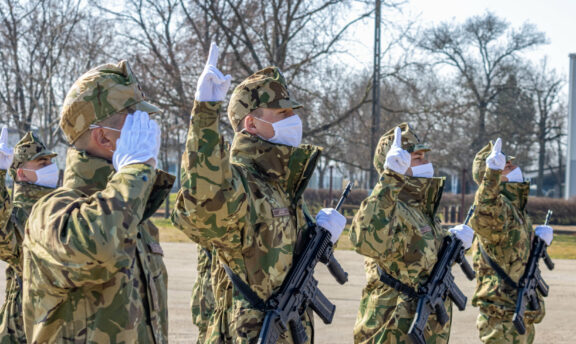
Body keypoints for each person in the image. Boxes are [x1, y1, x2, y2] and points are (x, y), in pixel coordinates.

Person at [172, 43, 346, 343]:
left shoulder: (279, 184)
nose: (294, 120)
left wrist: (319, 237)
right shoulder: (240, 180)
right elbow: (204, 207)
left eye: (293, 112)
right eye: (283, 113)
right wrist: (204, 115)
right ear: (252, 123)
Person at [22, 61, 174, 343]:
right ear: (103, 136)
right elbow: (101, 243)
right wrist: (135, 170)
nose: (148, 130)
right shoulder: (52, 212)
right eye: (136, 122)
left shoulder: (134, 211)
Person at [350, 124, 473, 343]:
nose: (426, 163)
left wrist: (452, 245)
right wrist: (390, 179)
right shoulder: (389, 206)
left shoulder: (420, 209)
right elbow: (364, 239)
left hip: (425, 328)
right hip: (393, 328)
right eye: (417, 158)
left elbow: (419, 260)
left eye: (425, 156)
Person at [469, 138, 553, 344]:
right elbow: (485, 210)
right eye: (505, 166)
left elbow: (512, 253)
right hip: (502, 317)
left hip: (518, 310)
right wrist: (491, 176)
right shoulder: (498, 208)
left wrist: (536, 243)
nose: (514, 167)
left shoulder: (514, 208)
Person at [0, 129, 58, 343]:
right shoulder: (19, 214)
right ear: (22, 173)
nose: (51, 169)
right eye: (43, 164)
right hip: (23, 328)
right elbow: (3, 236)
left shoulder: (59, 203)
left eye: (50, 163)